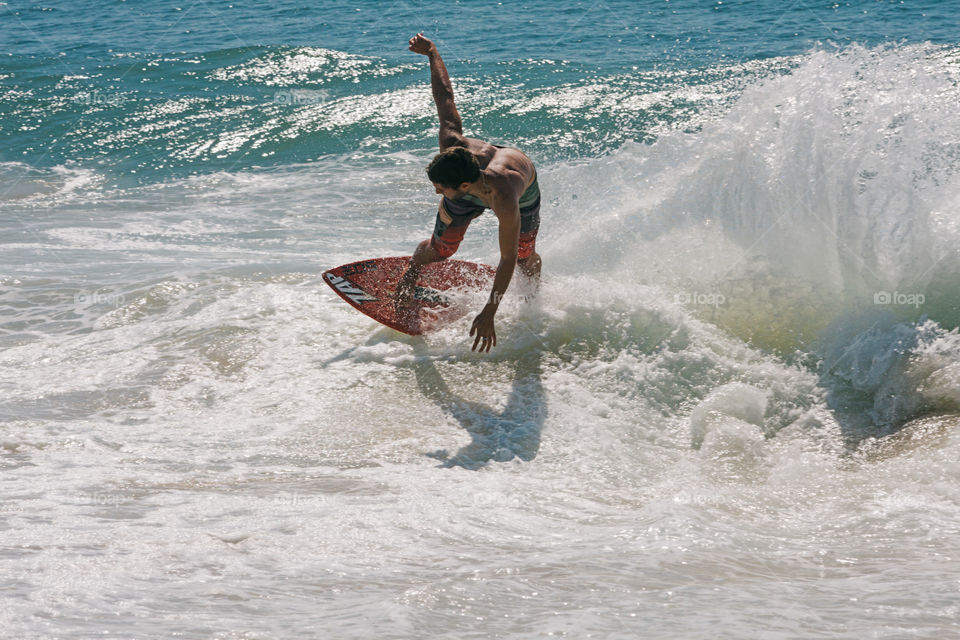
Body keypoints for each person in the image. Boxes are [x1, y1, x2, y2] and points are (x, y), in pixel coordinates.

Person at [396, 33, 542, 353]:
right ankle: (412, 270)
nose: (437, 193)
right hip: (472, 182)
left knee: (521, 254)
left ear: (462, 186)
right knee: (440, 250)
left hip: (522, 191)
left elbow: (504, 258)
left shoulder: (505, 195)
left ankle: (533, 292)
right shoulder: (452, 147)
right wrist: (432, 52)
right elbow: (444, 97)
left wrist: (490, 311)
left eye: (440, 189)